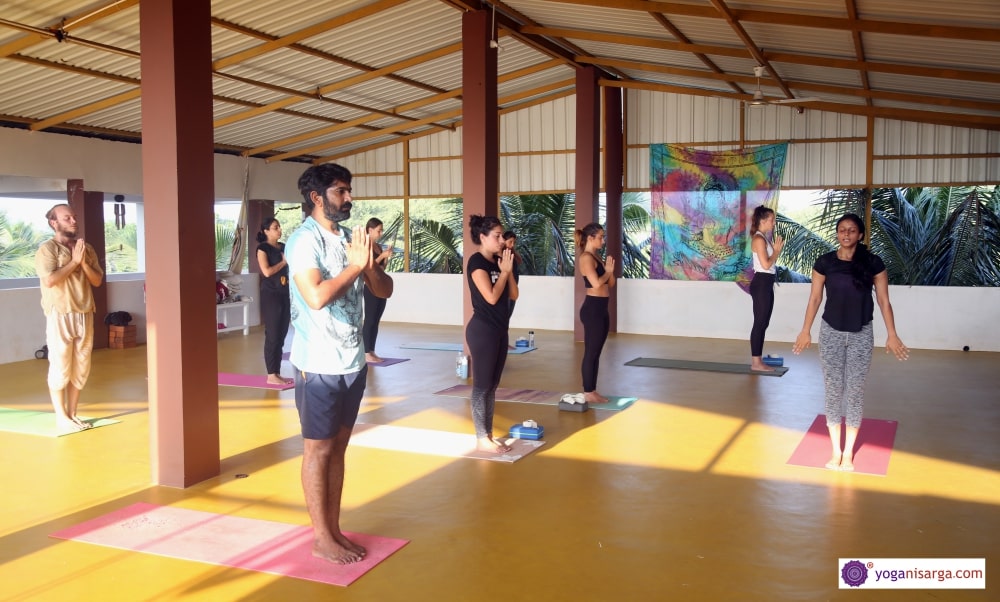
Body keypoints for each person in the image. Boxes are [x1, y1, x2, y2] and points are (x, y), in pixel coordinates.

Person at [285, 163, 393, 564]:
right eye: (341, 192)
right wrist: (354, 266)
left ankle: (333, 530)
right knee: (318, 450)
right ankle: (320, 537)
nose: (349, 198)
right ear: (317, 197)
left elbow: (384, 289)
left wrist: (368, 267)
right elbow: (315, 296)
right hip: (318, 364)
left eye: (349, 191)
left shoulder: (351, 239)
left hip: (351, 362)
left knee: (339, 449)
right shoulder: (302, 242)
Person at [792, 213, 908, 472]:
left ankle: (848, 454)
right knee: (834, 391)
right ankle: (835, 451)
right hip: (830, 332)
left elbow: (884, 301)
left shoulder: (873, 263)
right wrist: (805, 330)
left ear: (860, 235)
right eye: (842, 230)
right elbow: (814, 299)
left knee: (854, 392)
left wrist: (892, 333)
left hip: (861, 332)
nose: (846, 234)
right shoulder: (824, 263)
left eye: (852, 230)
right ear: (837, 233)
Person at [34, 203, 104, 432]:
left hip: (85, 311)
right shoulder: (48, 249)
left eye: (74, 217)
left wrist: (82, 261)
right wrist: (74, 262)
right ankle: (60, 416)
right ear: (54, 223)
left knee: (82, 366)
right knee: (61, 364)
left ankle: (72, 414)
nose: (73, 221)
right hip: (60, 312)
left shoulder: (86, 249)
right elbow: (50, 280)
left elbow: (96, 281)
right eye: (67, 218)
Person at [465, 215, 519, 453]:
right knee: (481, 385)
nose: (501, 240)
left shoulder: (500, 260)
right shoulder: (476, 263)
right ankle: (480, 437)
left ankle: (488, 433)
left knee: (493, 385)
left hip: (500, 329)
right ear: (482, 237)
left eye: (501, 235)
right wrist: (504, 273)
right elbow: (491, 297)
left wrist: (509, 269)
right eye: (496, 236)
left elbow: (514, 296)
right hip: (482, 330)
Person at [576, 223, 615, 404]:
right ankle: (588, 392)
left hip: (601, 308)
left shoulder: (596, 257)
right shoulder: (585, 258)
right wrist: (607, 273)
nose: (603, 240)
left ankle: (592, 390)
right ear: (590, 238)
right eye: (600, 236)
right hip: (592, 309)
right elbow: (597, 283)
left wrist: (610, 273)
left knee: (596, 352)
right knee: (591, 352)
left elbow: (610, 283)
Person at [256, 217, 292, 385]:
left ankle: (276, 372)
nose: (279, 230)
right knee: (272, 334)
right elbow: (267, 272)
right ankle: (271, 374)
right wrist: (284, 262)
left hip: (285, 293)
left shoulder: (284, 247)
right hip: (271, 295)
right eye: (275, 227)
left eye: (279, 226)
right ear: (266, 231)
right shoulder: (262, 249)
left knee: (282, 334)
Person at [748, 206, 784, 372]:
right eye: (772, 219)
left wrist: (775, 251)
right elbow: (767, 264)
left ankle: (758, 360)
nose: (774, 222)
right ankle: (756, 363)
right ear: (763, 221)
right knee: (759, 323)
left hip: (767, 282)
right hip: (761, 282)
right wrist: (776, 251)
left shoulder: (764, 238)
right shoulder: (759, 239)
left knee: (764, 322)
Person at [361, 217, 393, 363]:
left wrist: (386, 257)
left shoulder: (378, 247)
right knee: (370, 319)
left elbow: (380, 268)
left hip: (380, 284)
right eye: (378, 230)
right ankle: (366, 351)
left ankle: (372, 350)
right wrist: (381, 256)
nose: (381, 233)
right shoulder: (365, 246)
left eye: (381, 230)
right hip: (369, 286)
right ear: (370, 230)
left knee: (376, 319)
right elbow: (368, 265)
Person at [502, 230, 522, 318]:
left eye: (514, 242)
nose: (512, 245)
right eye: (510, 242)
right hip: (504, 292)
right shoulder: (501, 256)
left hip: (512, 289)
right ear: (504, 241)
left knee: (507, 316)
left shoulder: (513, 257)